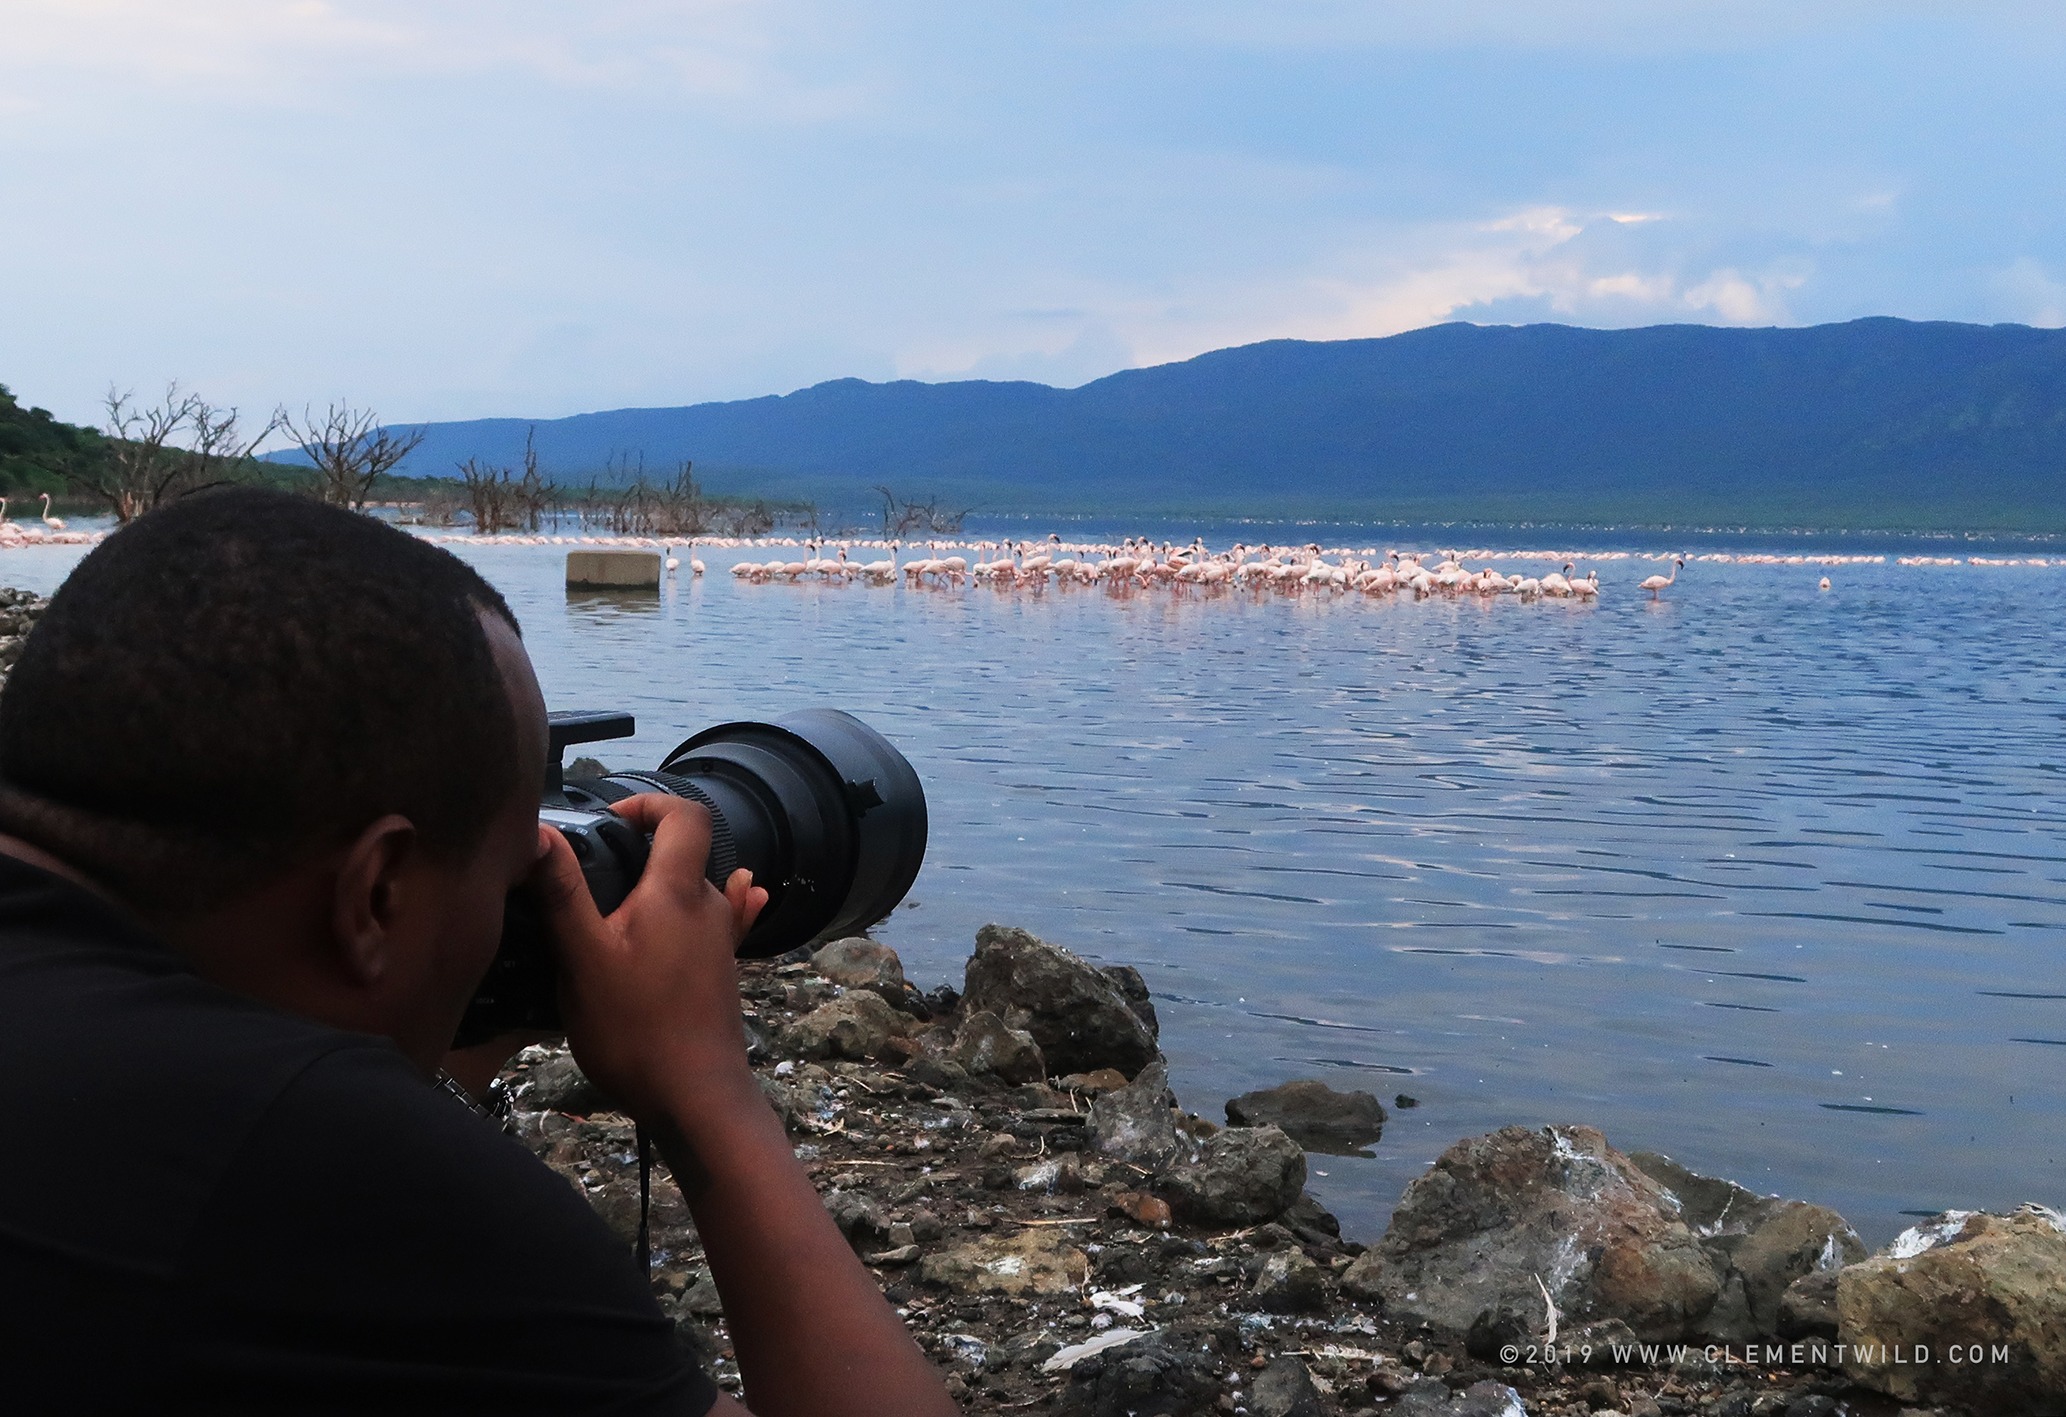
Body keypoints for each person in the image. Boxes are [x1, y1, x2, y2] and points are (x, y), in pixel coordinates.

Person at [0, 488, 957, 1416]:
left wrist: (461, 1013)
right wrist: (708, 1094)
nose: (521, 898)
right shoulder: (320, 1160)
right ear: (377, 890)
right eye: (515, 866)